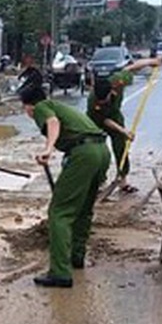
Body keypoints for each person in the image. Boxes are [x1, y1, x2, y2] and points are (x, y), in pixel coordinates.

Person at [21, 83, 111, 288]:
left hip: (84, 154)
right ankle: (76, 256)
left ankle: (60, 273)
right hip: (101, 151)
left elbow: (52, 123)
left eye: (24, 108)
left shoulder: (42, 107)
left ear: (29, 106)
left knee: (59, 212)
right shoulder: (61, 106)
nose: (26, 112)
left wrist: (47, 149)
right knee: (84, 209)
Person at [86, 57, 161, 193]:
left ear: (110, 92)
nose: (103, 102)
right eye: (100, 101)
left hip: (114, 114)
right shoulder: (93, 102)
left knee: (121, 146)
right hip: (95, 121)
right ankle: (99, 181)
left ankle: (123, 180)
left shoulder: (117, 81)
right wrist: (123, 130)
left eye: (105, 100)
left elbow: (131, 68)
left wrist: (151, 62)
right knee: (99, 151)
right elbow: (104, 121)